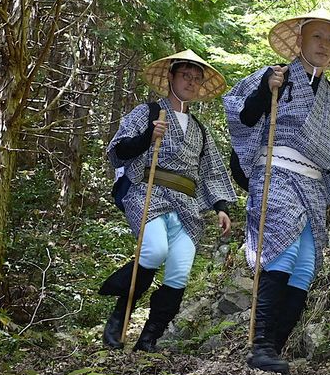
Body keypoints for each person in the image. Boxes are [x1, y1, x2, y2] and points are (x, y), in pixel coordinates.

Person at [224, 8, 330, 375]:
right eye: (317, 37)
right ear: (300, 40)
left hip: (311, 182)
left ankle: (273, 348)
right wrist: (265, 91)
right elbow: (241, 116)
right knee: (282, 252)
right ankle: (259, 344)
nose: (324, 45)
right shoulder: (274, 76)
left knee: (306, 264)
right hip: (274, 172)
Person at [100, 49, 236, 352]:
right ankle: (118, 321)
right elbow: (119, 151)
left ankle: (149, 337)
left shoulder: (200, 130)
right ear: (171, 77)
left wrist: (221, 207)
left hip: (186, 205)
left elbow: (212, 171)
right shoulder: (147, 113)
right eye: (185, 75)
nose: (191, 82)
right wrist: (149, 136)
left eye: (196, 78)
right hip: (149, 193)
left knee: (179, 268)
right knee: (155, 249)